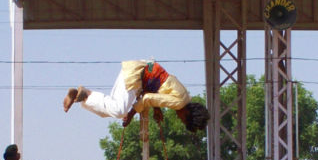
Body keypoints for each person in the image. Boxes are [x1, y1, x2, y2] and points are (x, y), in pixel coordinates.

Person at [63, 59, 209, 132]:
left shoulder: (184, 96)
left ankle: (84, 98)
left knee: (107, 112)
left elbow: (160, 90)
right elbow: (147, 99)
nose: (180, 118)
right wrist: (132, 113)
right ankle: (86, 94)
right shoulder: (180, 103)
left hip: (137, 73)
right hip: (136, 76)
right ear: (188, 114)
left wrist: (157, 109)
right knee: (120, 111)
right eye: (184, 120)